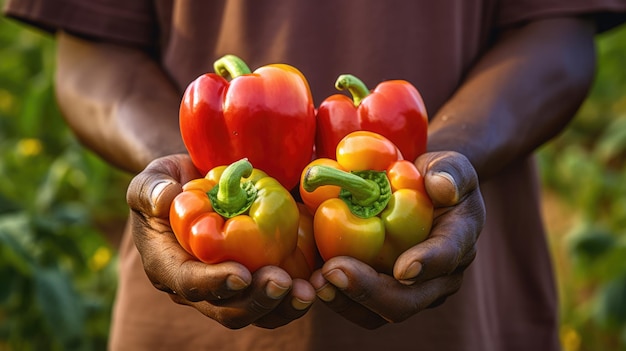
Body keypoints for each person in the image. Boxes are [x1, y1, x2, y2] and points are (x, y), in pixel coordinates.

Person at [4, 1, 626, 350]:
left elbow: (557, 29)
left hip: (469, 320)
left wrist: (450, 157)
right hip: (186, 323)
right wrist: (183, 177)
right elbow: (89, 47)